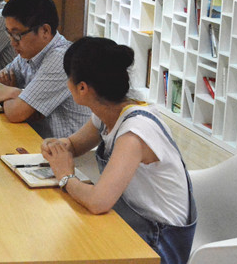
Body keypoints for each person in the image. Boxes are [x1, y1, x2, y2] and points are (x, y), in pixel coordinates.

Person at [42, 37, 196, 264]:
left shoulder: (135, 132)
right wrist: (57, 147)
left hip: (158, 246)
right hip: (135, 225)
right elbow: (74, 145)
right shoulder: (108, 113)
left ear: (82, 88)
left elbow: (99, 202)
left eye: (68, 78)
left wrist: (65, 176)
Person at [0, 0, 89, 138]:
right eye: (9, 34)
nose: (12, 42)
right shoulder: (28, 54)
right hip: (35, 139)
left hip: (65, 148)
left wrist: (11, 96)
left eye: (17, 35)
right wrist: (16, 93)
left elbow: (15, 112)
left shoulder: (61, 59)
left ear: (45, 31)